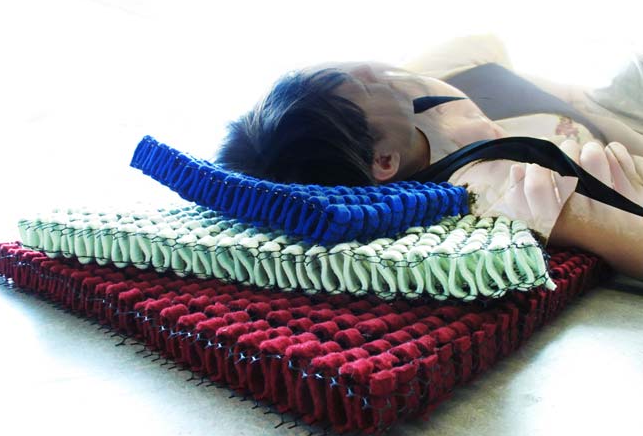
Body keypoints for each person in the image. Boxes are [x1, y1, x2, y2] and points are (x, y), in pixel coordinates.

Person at [216, 52, 643, 279]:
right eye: (366, 87)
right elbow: (624, 238)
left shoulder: (413, 125)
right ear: (383, 160)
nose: (371, 73)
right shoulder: (484, 185)